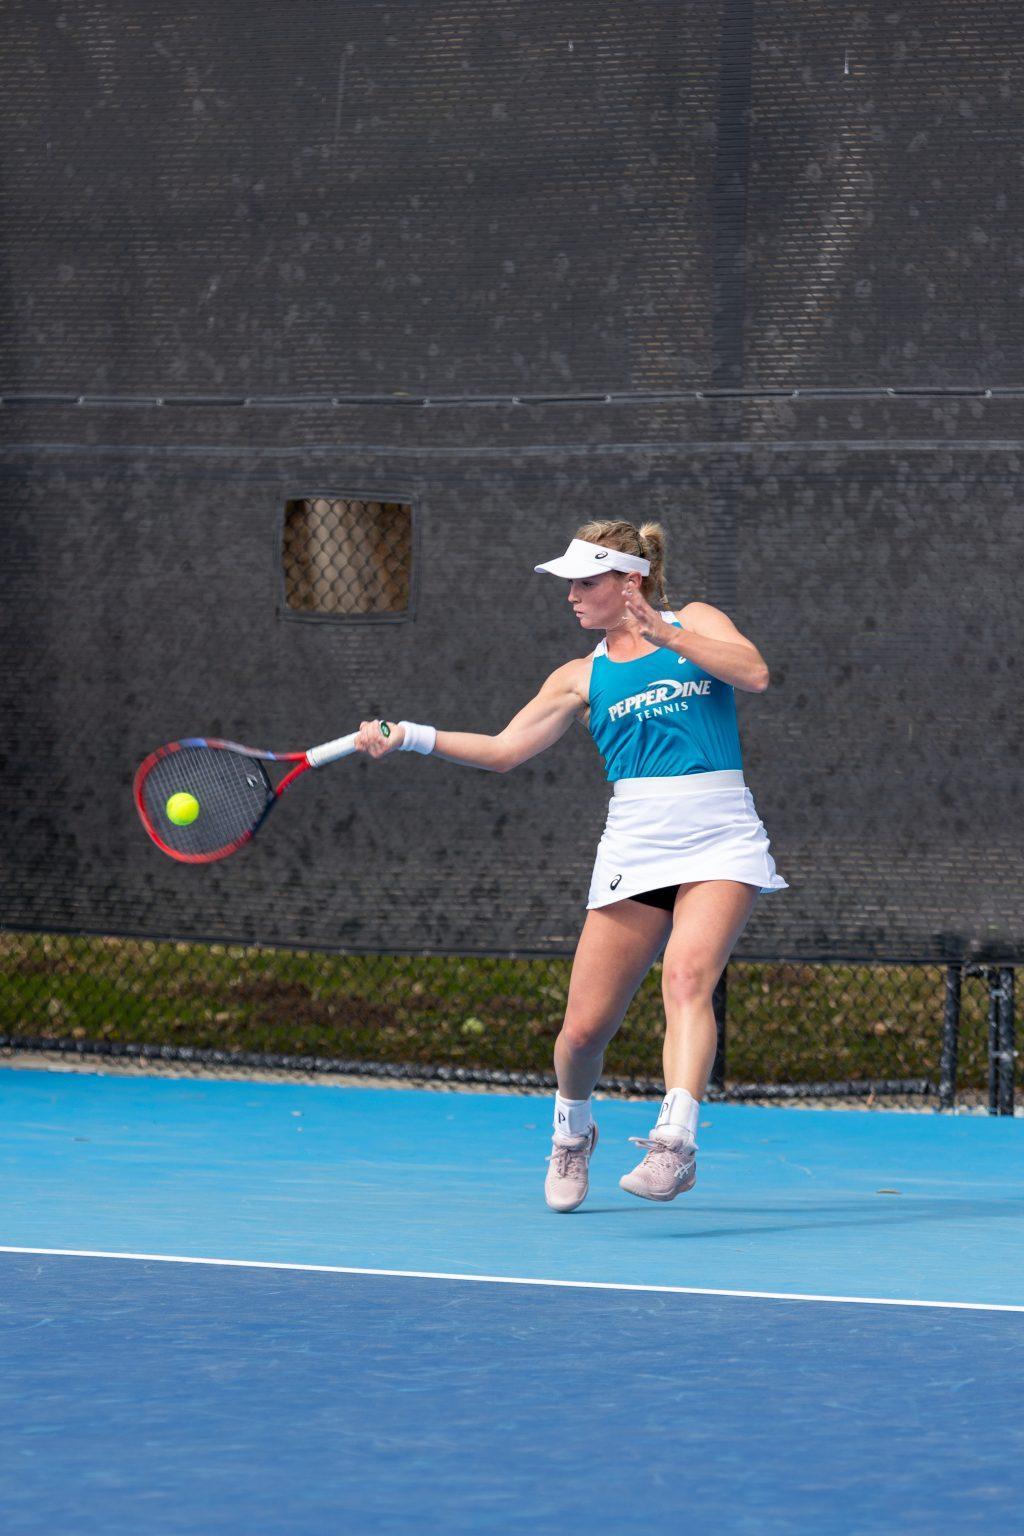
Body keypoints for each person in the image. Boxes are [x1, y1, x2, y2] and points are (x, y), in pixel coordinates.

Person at [354, 520, 787, 1213]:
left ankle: (675, 1145)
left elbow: (755, 673)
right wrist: (410, 735)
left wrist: (666, 634)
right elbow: (504, 750)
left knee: (686, 978)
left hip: (721, 835)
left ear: (629, 580)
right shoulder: (579, 676)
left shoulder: (696, 621)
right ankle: (572, 1130)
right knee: (582, 1034)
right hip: (635, 846)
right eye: (570, 584)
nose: (572, 596)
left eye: (585, 582)